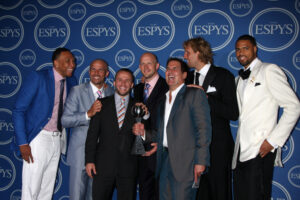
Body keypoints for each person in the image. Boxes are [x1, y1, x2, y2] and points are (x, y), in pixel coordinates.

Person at [232, 34, 300, 200]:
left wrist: (272, 141)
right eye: (238, 49)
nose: (241, 52)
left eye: (245, 48)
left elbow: (293, 106)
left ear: (255, 49)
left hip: (260, 149)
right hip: (241, 151)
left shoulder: (269, 70)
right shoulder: (238, 80)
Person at [134, 57, 212, 200]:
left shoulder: (194, 94)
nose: (170, 71)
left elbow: (203, 129)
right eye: (168, 68)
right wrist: (144, 133)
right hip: (164, 161)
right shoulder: (163, 100)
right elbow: (161, 132)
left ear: (184, 75)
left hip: (186, 163)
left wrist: (201, 161)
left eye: (175, 68)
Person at [12, 48, 77, 200]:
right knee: (31, 189)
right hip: (38, 138)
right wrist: (23, 143)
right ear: (56, 63)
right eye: (68, 60)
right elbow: (18, 110)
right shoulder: (38, 77)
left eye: (73, 61)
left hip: (58, 140)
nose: (72, 64)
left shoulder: (72, 82)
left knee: (47, 190)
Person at [183, 37, 239, 200]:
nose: (184, 56)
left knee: (219, 192)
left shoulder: (223, 76)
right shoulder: (187, 78)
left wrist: (206, 97)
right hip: (193, 150)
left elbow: (233, 113)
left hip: (218, 148)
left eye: (187, 52)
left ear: (198, 53)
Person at [85, 69, 148, 200]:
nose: (123, 83)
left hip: (128, 167)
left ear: (132, 84)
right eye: (119, 80)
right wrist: (89, 160)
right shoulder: (101, 104)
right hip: (103, 166)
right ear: (114, 83)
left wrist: (146, 117)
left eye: (127, 80)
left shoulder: (139, 107)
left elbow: (146, 133)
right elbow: (92, 135)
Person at [61, 59, 114, 200]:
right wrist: (87, 114)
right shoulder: (77, 91)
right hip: (80, 155)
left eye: (100, 70)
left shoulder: (112, 92)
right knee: (77, 196)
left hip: (103, 157)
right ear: (89, 72)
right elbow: (65, 120)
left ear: (106, 73)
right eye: (93, 69)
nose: (96, 73)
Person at [133, 52, 168, 200]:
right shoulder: (138, 88)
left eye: (149, 63)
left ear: (157, 66)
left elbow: (172, 120)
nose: (145, 67)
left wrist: (159, 143)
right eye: (142, 64)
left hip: (161, 151)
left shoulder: (168, 86)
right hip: (142, 153)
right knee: (145, 194)